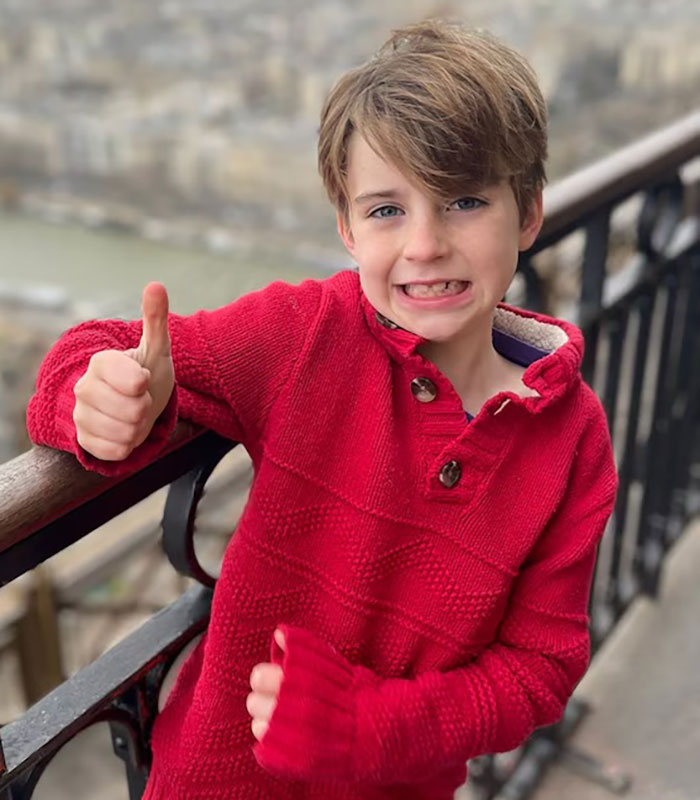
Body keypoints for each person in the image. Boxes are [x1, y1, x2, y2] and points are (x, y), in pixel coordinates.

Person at [26, 18, 618, 800]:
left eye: (464, 201)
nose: (425, 244)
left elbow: (540, 670)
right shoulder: (305, 335)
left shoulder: (573, 441)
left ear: (529, 213)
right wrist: (93, 395)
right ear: (345, 227)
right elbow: (105, 347)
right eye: (386, 211)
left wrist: (369, 728)